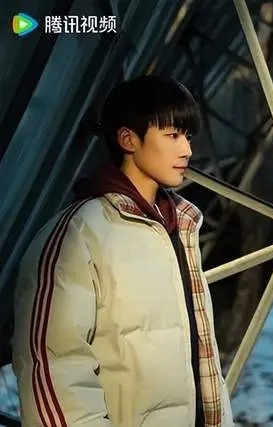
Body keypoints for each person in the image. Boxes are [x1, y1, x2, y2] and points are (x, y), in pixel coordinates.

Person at [12, 75, 234, 426]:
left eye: (188, 137)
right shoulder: (78, 234)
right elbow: (52, 365)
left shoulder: (181, 227)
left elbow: (202, 363)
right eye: (172, 135)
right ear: (128, 139)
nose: (187, 150)